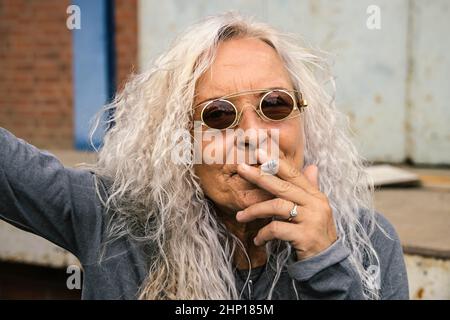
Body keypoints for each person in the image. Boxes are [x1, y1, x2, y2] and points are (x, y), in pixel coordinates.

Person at [0, 12, 409, 299]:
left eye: (276, 104)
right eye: (219, 115)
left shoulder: (372, 243)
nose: (252, 134)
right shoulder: (113, 220)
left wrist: (326, 264)